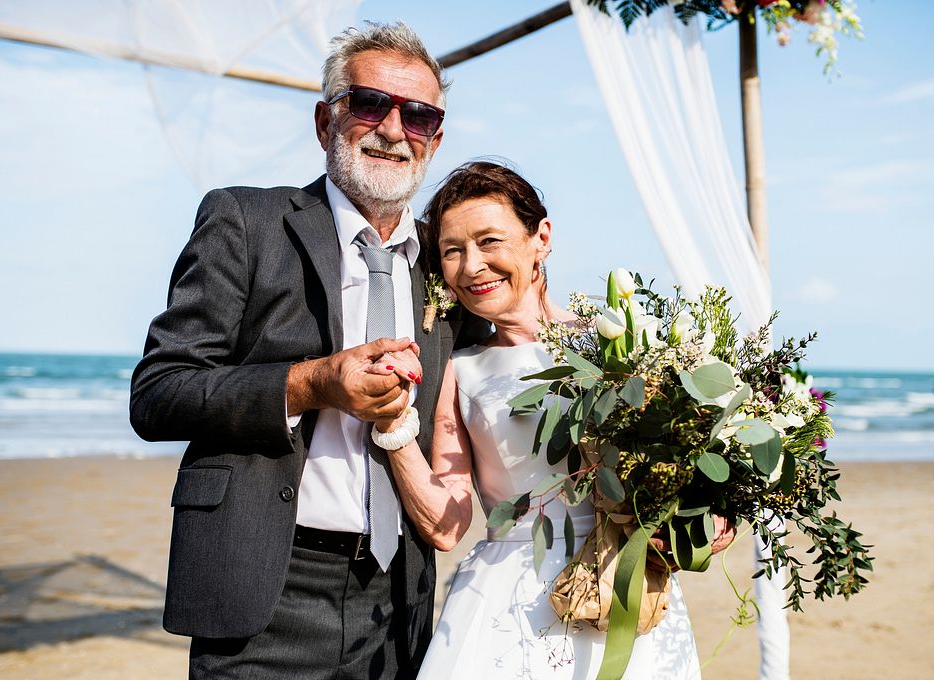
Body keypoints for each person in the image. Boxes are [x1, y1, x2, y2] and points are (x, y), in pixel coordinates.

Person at [130, 22, 472, 680]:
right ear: (326, 121)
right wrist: (312, 384)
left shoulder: (447, 262)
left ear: (435, 137)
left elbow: (510, 382)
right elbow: (158, 391)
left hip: (400, 598)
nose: (394, 129)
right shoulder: (244, 221)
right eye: (370, 103)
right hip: (265, 586)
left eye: (420, 115)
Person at [369, 161, 736, 678]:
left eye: (489, 241)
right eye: (453, 250)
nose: (472, 265)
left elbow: (683, 466)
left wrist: (708, 516)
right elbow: (449, 526)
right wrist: (391, 425)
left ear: (540, 237)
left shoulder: (624, 344)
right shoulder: (461, 370)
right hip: (507, 601)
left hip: (621, 584)